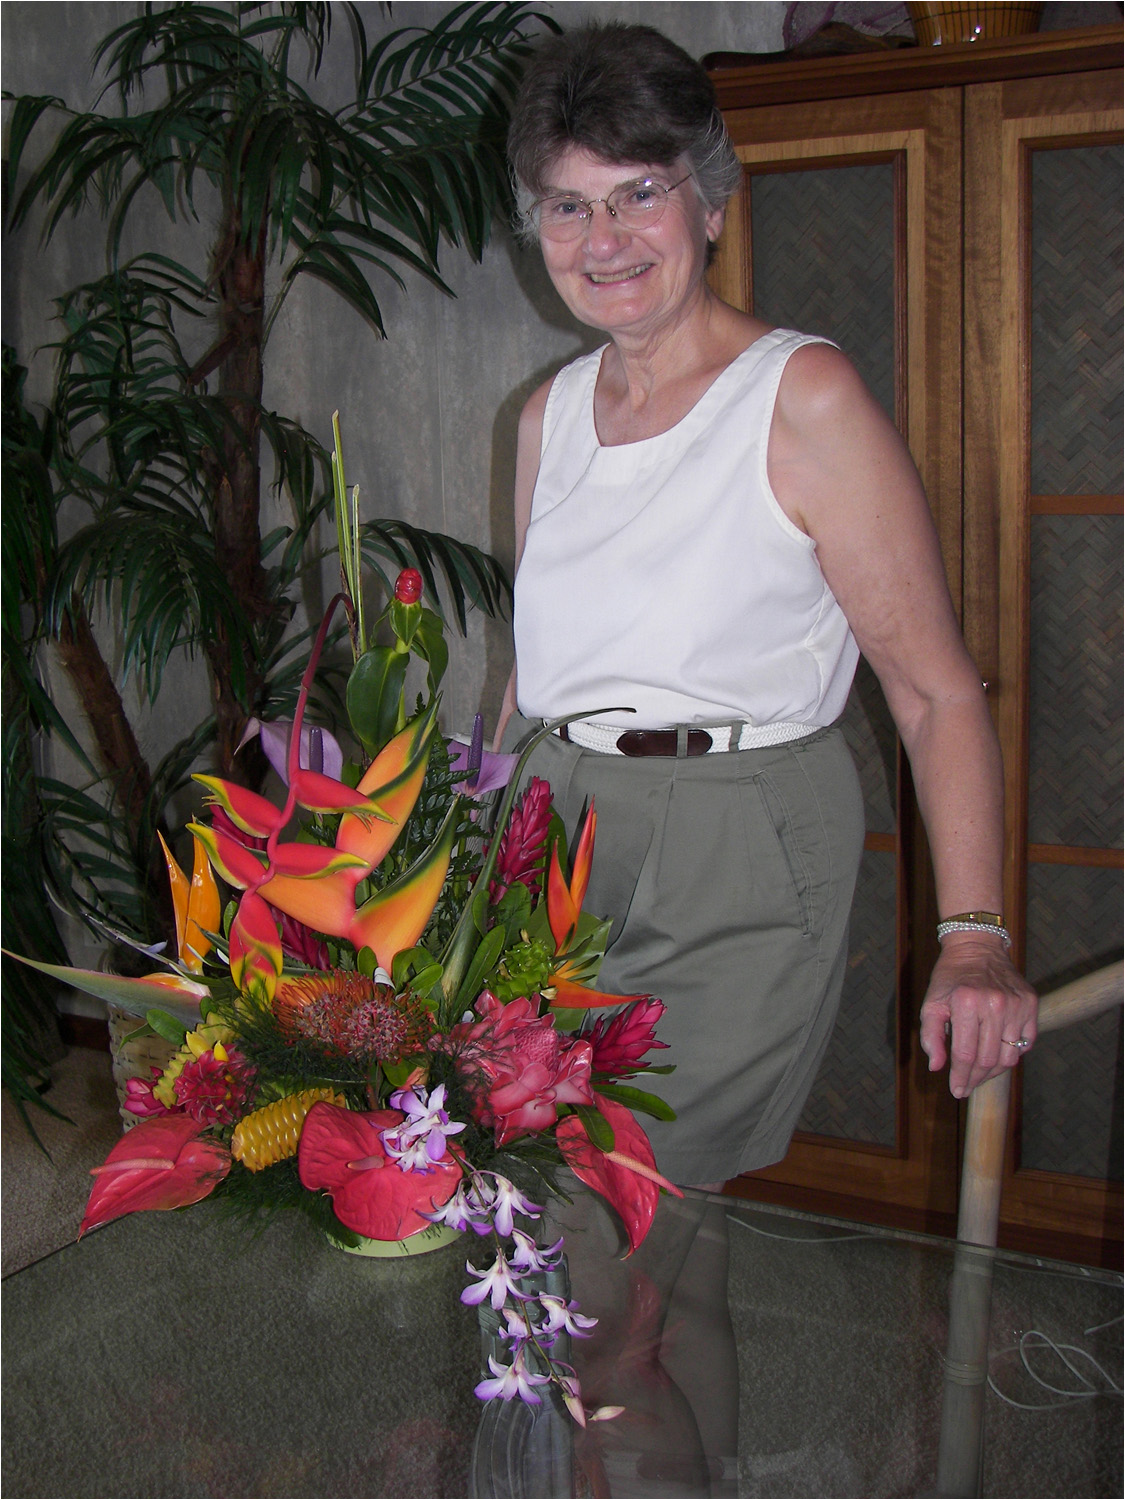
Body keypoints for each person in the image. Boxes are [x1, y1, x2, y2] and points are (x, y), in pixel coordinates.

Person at [494, 22, 1037, 1191]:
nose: (606, 239)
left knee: (626, 1210)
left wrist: (976, 939)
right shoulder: (548, 417)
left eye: (641, 192)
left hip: (735, 843)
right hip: (556, 830)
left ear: (713, 203)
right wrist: (467, 856)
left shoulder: (801, 396)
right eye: (568, 205)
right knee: (614, 1231)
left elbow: (936, 694)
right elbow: (537, 670)